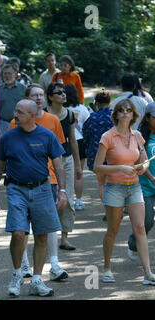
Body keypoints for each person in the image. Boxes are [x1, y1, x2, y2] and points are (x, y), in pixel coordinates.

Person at [0, 99, 66, 297]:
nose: (15, 115)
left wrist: (62, 191)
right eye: (15, 110)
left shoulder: (47, 136)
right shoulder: (8, 138)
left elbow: (59, 166)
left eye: (19, 112)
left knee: (42, 235)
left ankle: (37, 280)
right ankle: (17, 273)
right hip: (16, 189)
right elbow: (0, 166)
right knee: (18, 233)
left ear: (32, 115)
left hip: (42, 189)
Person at [94, 99, 155, 285]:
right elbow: (97, 167)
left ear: (134, 115)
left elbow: (144, 160)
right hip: (115, 187)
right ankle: (106, 268)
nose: (125, 113)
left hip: (134, 186)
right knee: (113, 230)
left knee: (140, 228)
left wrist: (142, 168)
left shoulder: (137, 136)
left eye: (129, 110)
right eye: (121, 110)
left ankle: (148, 273)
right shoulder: (108, 137)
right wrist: (119, 167)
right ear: (116, 114)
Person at [46, 82, 83, 250]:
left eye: (64, 92)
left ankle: (64, 237)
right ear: (50, 97)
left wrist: (77, 164)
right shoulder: (43, 114)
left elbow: (73, 140)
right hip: (46, 160)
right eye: (58, 92)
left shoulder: (69, 114)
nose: (63, 94)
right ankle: (47, 235)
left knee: (67, 197)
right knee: (49, 198)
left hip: (66, 158)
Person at [127, 102, 155, 261]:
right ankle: (133, 243)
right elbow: (140, 160)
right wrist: (152, 178)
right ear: (148, 118)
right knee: (148, 221)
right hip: (145, 186)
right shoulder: (139, 136)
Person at [82, 90, 114, 203]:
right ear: (110, 102)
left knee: (101, 184)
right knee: (116, 184)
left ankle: (107, 210)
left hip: (96, 155)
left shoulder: (92, 118)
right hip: (114, 155)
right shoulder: (116, 116)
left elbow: (85, 136)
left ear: (96, 103)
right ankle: (117, 209)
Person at [64, 84, 90, 211]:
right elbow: (87, 124)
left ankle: (65, 197)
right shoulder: (82, 108)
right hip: (79, 142)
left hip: (63, 141)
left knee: (62, 171)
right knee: (78, 173)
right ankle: (78, 200)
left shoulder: (60, 109)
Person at [0, 64, 26, 136]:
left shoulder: (23, 89)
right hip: (3, 124)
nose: (7, 76)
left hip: (19, 123)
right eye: (5, 73)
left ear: (15, 74)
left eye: (9, 73)